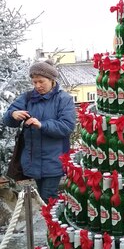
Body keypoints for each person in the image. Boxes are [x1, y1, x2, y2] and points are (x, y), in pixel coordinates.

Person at [3, 59, 76, 202]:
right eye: (34, 82)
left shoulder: (64, 99)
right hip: (33, 161)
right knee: (43, 198)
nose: (37, 86)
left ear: (52, 80)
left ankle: (54, 217)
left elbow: (67, 126)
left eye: (41, 81)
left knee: (48, 197)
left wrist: (42, 125)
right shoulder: (27, 97)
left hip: (54, 161)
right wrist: (13, 115)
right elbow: (7, 120)